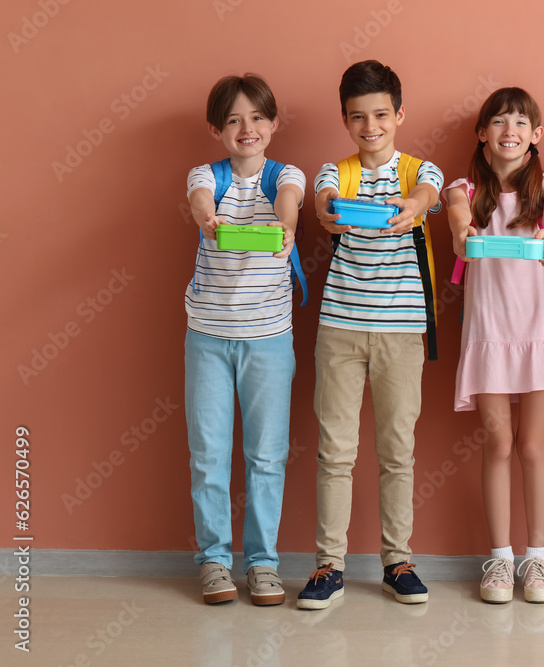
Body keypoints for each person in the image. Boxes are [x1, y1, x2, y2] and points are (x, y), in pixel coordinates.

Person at [296, 60, 442, 610]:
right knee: (335, 451)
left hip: (402, 331)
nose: (371, 126)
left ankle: (396, 560)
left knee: (396, 451)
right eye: (358, 117)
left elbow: (430, 191)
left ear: (399, 114)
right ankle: (328, 566)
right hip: (339, 327)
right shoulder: (336, 172)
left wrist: (417, 207)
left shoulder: (419, 171)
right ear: (345, 120)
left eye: (381, 114)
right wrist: (327, 213)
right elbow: (323, 201)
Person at [444, 87, 544, 604]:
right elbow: (459, 220)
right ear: (482, 133)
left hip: (538, 330)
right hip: (490, 331)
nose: (509, 131)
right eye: (499, 122)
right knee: (498, 443)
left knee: (532, 444)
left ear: (536, 135)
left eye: (521, 123)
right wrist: (462, 234)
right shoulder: (464, 188)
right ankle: (499, 560)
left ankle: (538, 559)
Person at [184, 73, 304, 606]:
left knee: (267, 455)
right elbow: (200, 198)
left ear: (274, 124)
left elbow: (291, 201)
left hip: (270, 340)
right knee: (209, 454)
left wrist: (287, 227)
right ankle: (213, 560)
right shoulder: (205, 176)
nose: (246, 128)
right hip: (207, 335)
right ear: (217, 129)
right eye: (233, 119)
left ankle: (263, 564)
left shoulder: (287, 175)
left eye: (257, 117)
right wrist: (208, 219)